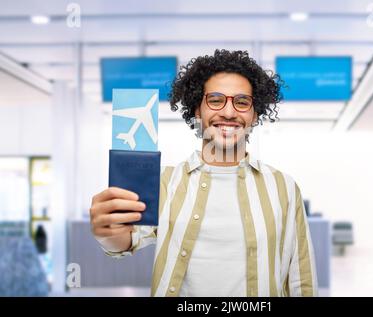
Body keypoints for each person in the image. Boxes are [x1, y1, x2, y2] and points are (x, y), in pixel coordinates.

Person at [89, 49, 317, 297]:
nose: (229, 112)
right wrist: (108, 233)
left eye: (242, 102)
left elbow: (301, 276)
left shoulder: (283, 186)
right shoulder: (162, 182)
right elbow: (125, 240)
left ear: (254, 114)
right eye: (216, 100)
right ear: (197, 110)